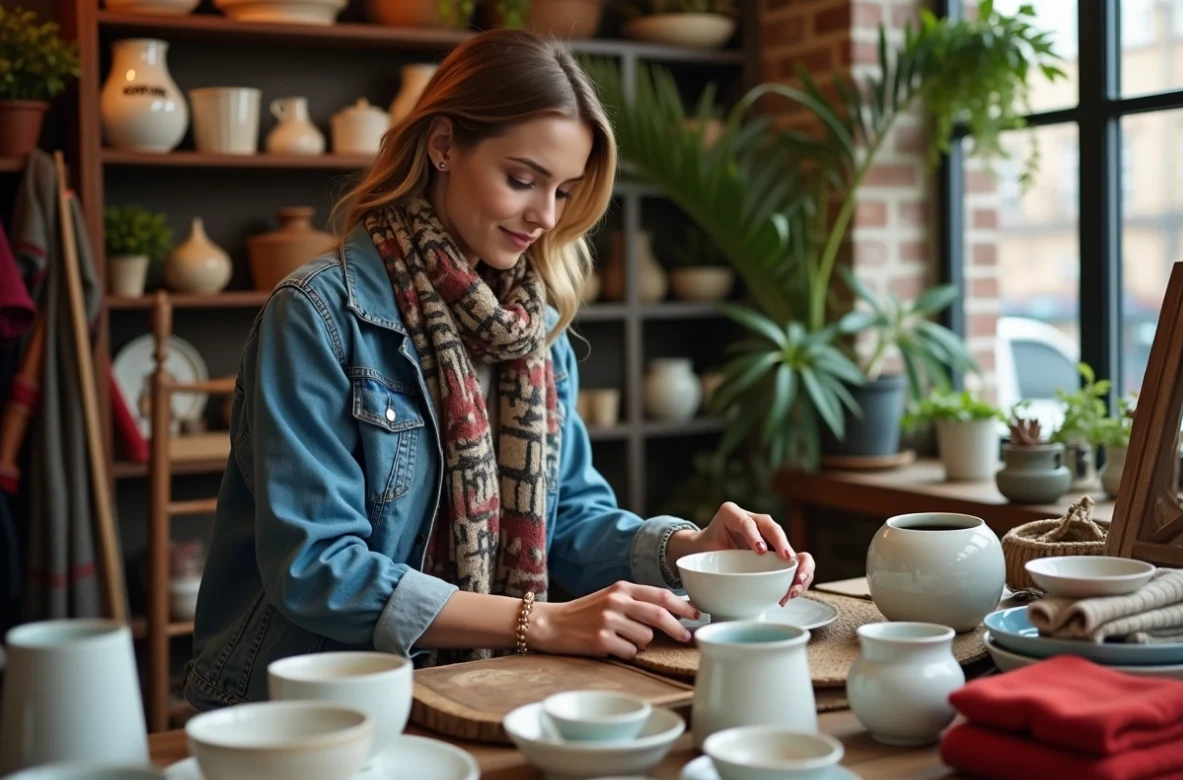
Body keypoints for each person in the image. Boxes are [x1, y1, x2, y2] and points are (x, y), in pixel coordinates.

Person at [183, 28, 815, 710]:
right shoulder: (317, 313)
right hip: (314, 705)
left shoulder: (534, 328)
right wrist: (535, 621)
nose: (545, 216)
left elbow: (567, 516)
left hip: (477, 692)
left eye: (565, 190)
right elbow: (315, 567)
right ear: (445, 145)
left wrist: (687, 549)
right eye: (522, 179)